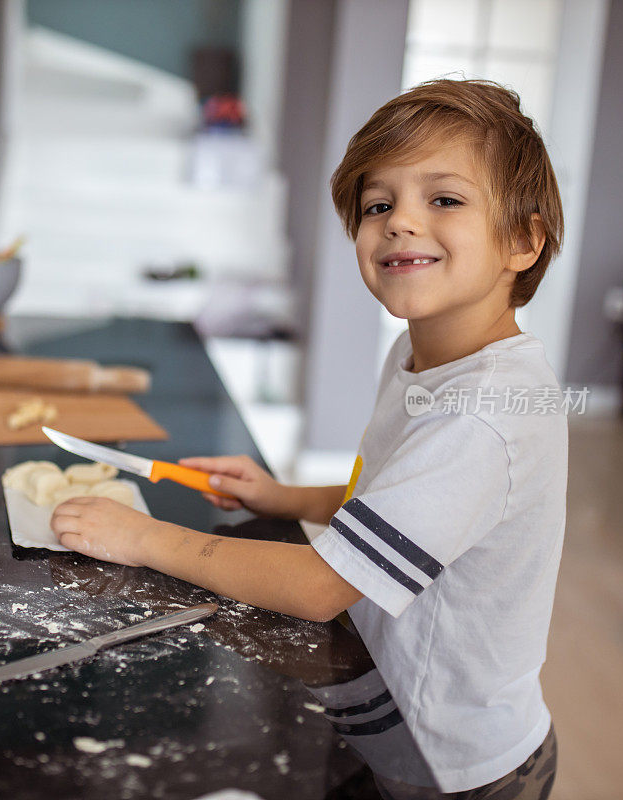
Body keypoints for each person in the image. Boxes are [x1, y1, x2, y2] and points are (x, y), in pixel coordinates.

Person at [51, 79, 567, 799]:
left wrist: (141, 537)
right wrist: (283, 495)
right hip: (389, 700)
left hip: (452, 759)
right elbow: (399, 500)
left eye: (443, 199)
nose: (399, 223)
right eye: (378, 205)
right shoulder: (425, 356)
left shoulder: (481, 414)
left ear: (523, 240)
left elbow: (323, 586)